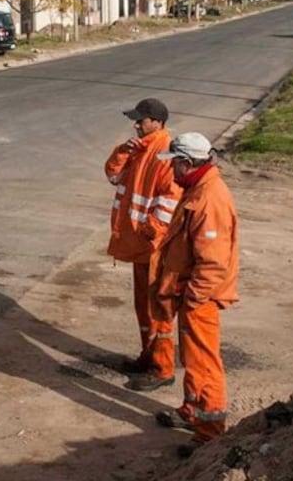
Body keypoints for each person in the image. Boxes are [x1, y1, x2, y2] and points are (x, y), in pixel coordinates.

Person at [151, 132, 239, 458]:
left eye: (174, 164)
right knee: (192, 359)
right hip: (189, 292)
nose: (171, 170)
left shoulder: (208, 199)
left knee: (203, 363)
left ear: (188, 163)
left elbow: (213, 262)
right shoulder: (198, 188)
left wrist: (194, 297)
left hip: (199, 297)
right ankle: (192, 411)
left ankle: (209, 434)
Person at [104, 97, 182, 391]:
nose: (136, 125)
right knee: (143, 306)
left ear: (157, 123)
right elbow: (113, 174)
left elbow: (169, 198)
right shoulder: (139, 150)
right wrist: (124, 151)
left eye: (141, 120)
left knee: (158, 307)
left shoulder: (164, 153)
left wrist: (153, 230)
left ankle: (162, 368)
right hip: (141, 245)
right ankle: (148, 356)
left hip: (154, 248)